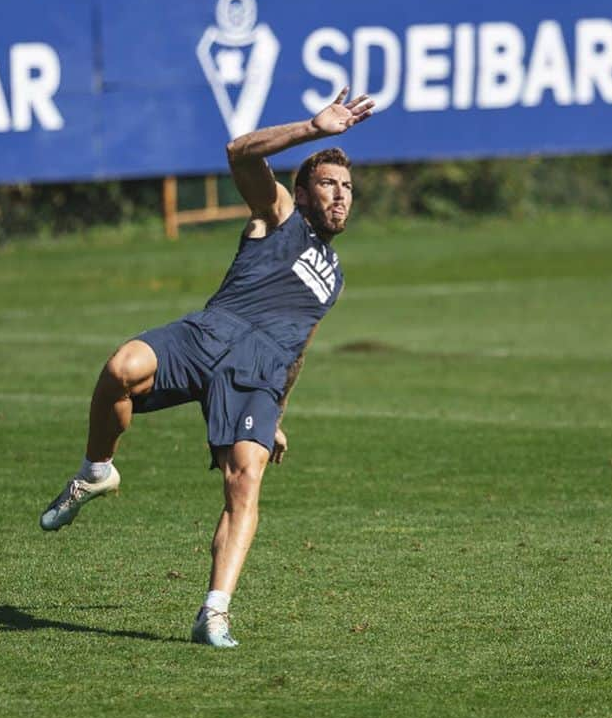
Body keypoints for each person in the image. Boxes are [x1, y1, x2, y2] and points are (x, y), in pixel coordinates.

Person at [40, 87, 375, 648]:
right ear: (302, 189)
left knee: (245, 481)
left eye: (347, 189)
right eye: (328, 184)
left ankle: (213, 613)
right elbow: (240, 151)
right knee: (121, 367)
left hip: (260, 374)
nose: (340, 197)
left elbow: (300, 347)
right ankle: (97, 470)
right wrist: (314, 131)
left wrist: (279, 416)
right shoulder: (279, 213)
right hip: (210, 334)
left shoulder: (335, 275)